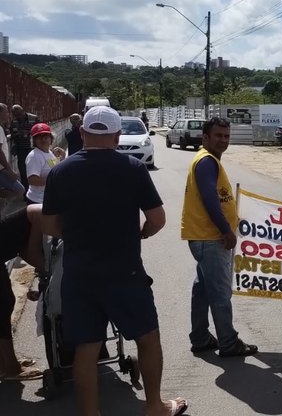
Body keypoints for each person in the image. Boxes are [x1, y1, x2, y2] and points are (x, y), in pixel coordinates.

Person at [41, 105, 187, 416]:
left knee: (86, 349)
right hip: (125, 272)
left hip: (79, 274)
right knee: (147, 339)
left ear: (82, 133)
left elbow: (51, 226)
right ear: (117, 135)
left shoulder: (60, 172)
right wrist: (142, 235)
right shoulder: (132, 169)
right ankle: (154, 407)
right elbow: (157, 219)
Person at [181, 117, 258, 358]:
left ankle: (201, 337)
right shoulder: (206, 161)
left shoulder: (209, 159)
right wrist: (226, 230)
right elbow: (209, 199)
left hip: (204, 237)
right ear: (205, 137)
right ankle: (228, 342)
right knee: (220, 293)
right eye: (218, 136)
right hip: (211, 238)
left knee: (203, 290)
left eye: (226, 136)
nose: (223, 140)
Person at [0, 206, 46, 381]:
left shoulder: (34, 214)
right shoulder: (41, 215)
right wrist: (49, 272)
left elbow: (25, 250)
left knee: (5, 304)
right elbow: (33, 252)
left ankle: (5, 364)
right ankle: (11, 369)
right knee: (3, 306)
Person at [25, 123, 65, 205]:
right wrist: (55, 180)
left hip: (49, 198)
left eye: (45, 136)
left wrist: (63, 157)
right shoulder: (34, 156)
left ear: (51, 138)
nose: (43, 140)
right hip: (39, 201)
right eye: (39, 137)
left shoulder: (49, 152)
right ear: (34, 141)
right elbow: (32, 180)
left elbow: (53, 168)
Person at [9, 105, 38, 189]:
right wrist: (16, 134)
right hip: (21, 150)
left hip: (33, 148)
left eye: (19, 114)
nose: (18, 116)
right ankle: (26, 190)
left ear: (23, 111)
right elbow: (11, 133)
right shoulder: (14, 121)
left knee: (34, 168)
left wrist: (29, 133)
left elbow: (40, 130)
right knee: (23, 170)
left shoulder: (34, 118)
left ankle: (35, 186)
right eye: (15, 115)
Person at [0, 103, 25, 198]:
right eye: (6, 112)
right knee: (20, 190)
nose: (8, 115)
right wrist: (9, 169)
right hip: (1, 169)